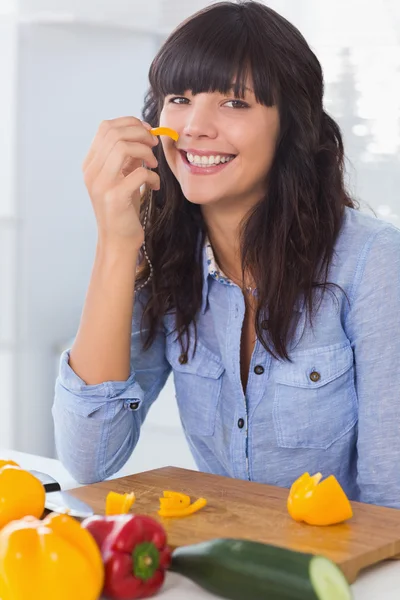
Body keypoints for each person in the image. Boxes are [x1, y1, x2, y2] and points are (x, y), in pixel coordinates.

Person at [53, 0, 400, 509]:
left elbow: (391, 501)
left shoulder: (373, 262)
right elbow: (90, 458)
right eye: (179, 98)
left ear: (291, 123)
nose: (195, 127)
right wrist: (115, 242)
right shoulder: (167, 257)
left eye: (235, 103)